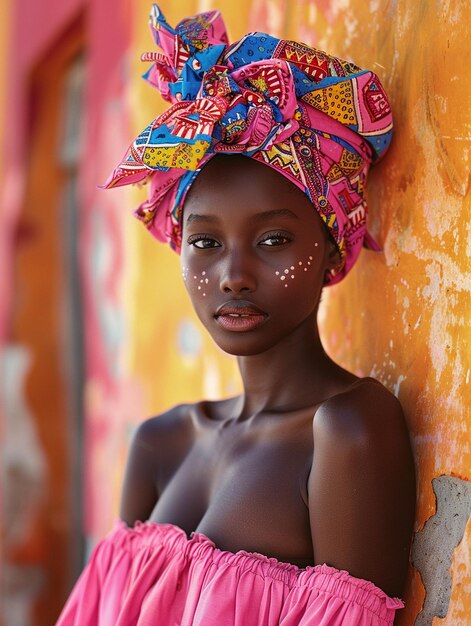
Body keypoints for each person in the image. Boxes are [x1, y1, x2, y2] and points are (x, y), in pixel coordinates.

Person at [56, 4, 415, 625]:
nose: (234, 276)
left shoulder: (347, 433)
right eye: (205, 242)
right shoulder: (159, 443)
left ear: (331, 245)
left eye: (274, 240)